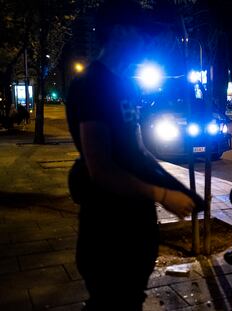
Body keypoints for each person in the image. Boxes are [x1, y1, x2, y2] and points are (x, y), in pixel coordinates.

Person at [65, 1, 203, 310]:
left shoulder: (123, 85)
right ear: (119, 32)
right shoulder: (91, 86)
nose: (146, 42)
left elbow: (136, 149)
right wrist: (162, 193)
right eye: (142, 34)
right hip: (109, 234)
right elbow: (101, 169)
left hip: (133, 229)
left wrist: (176, 189)